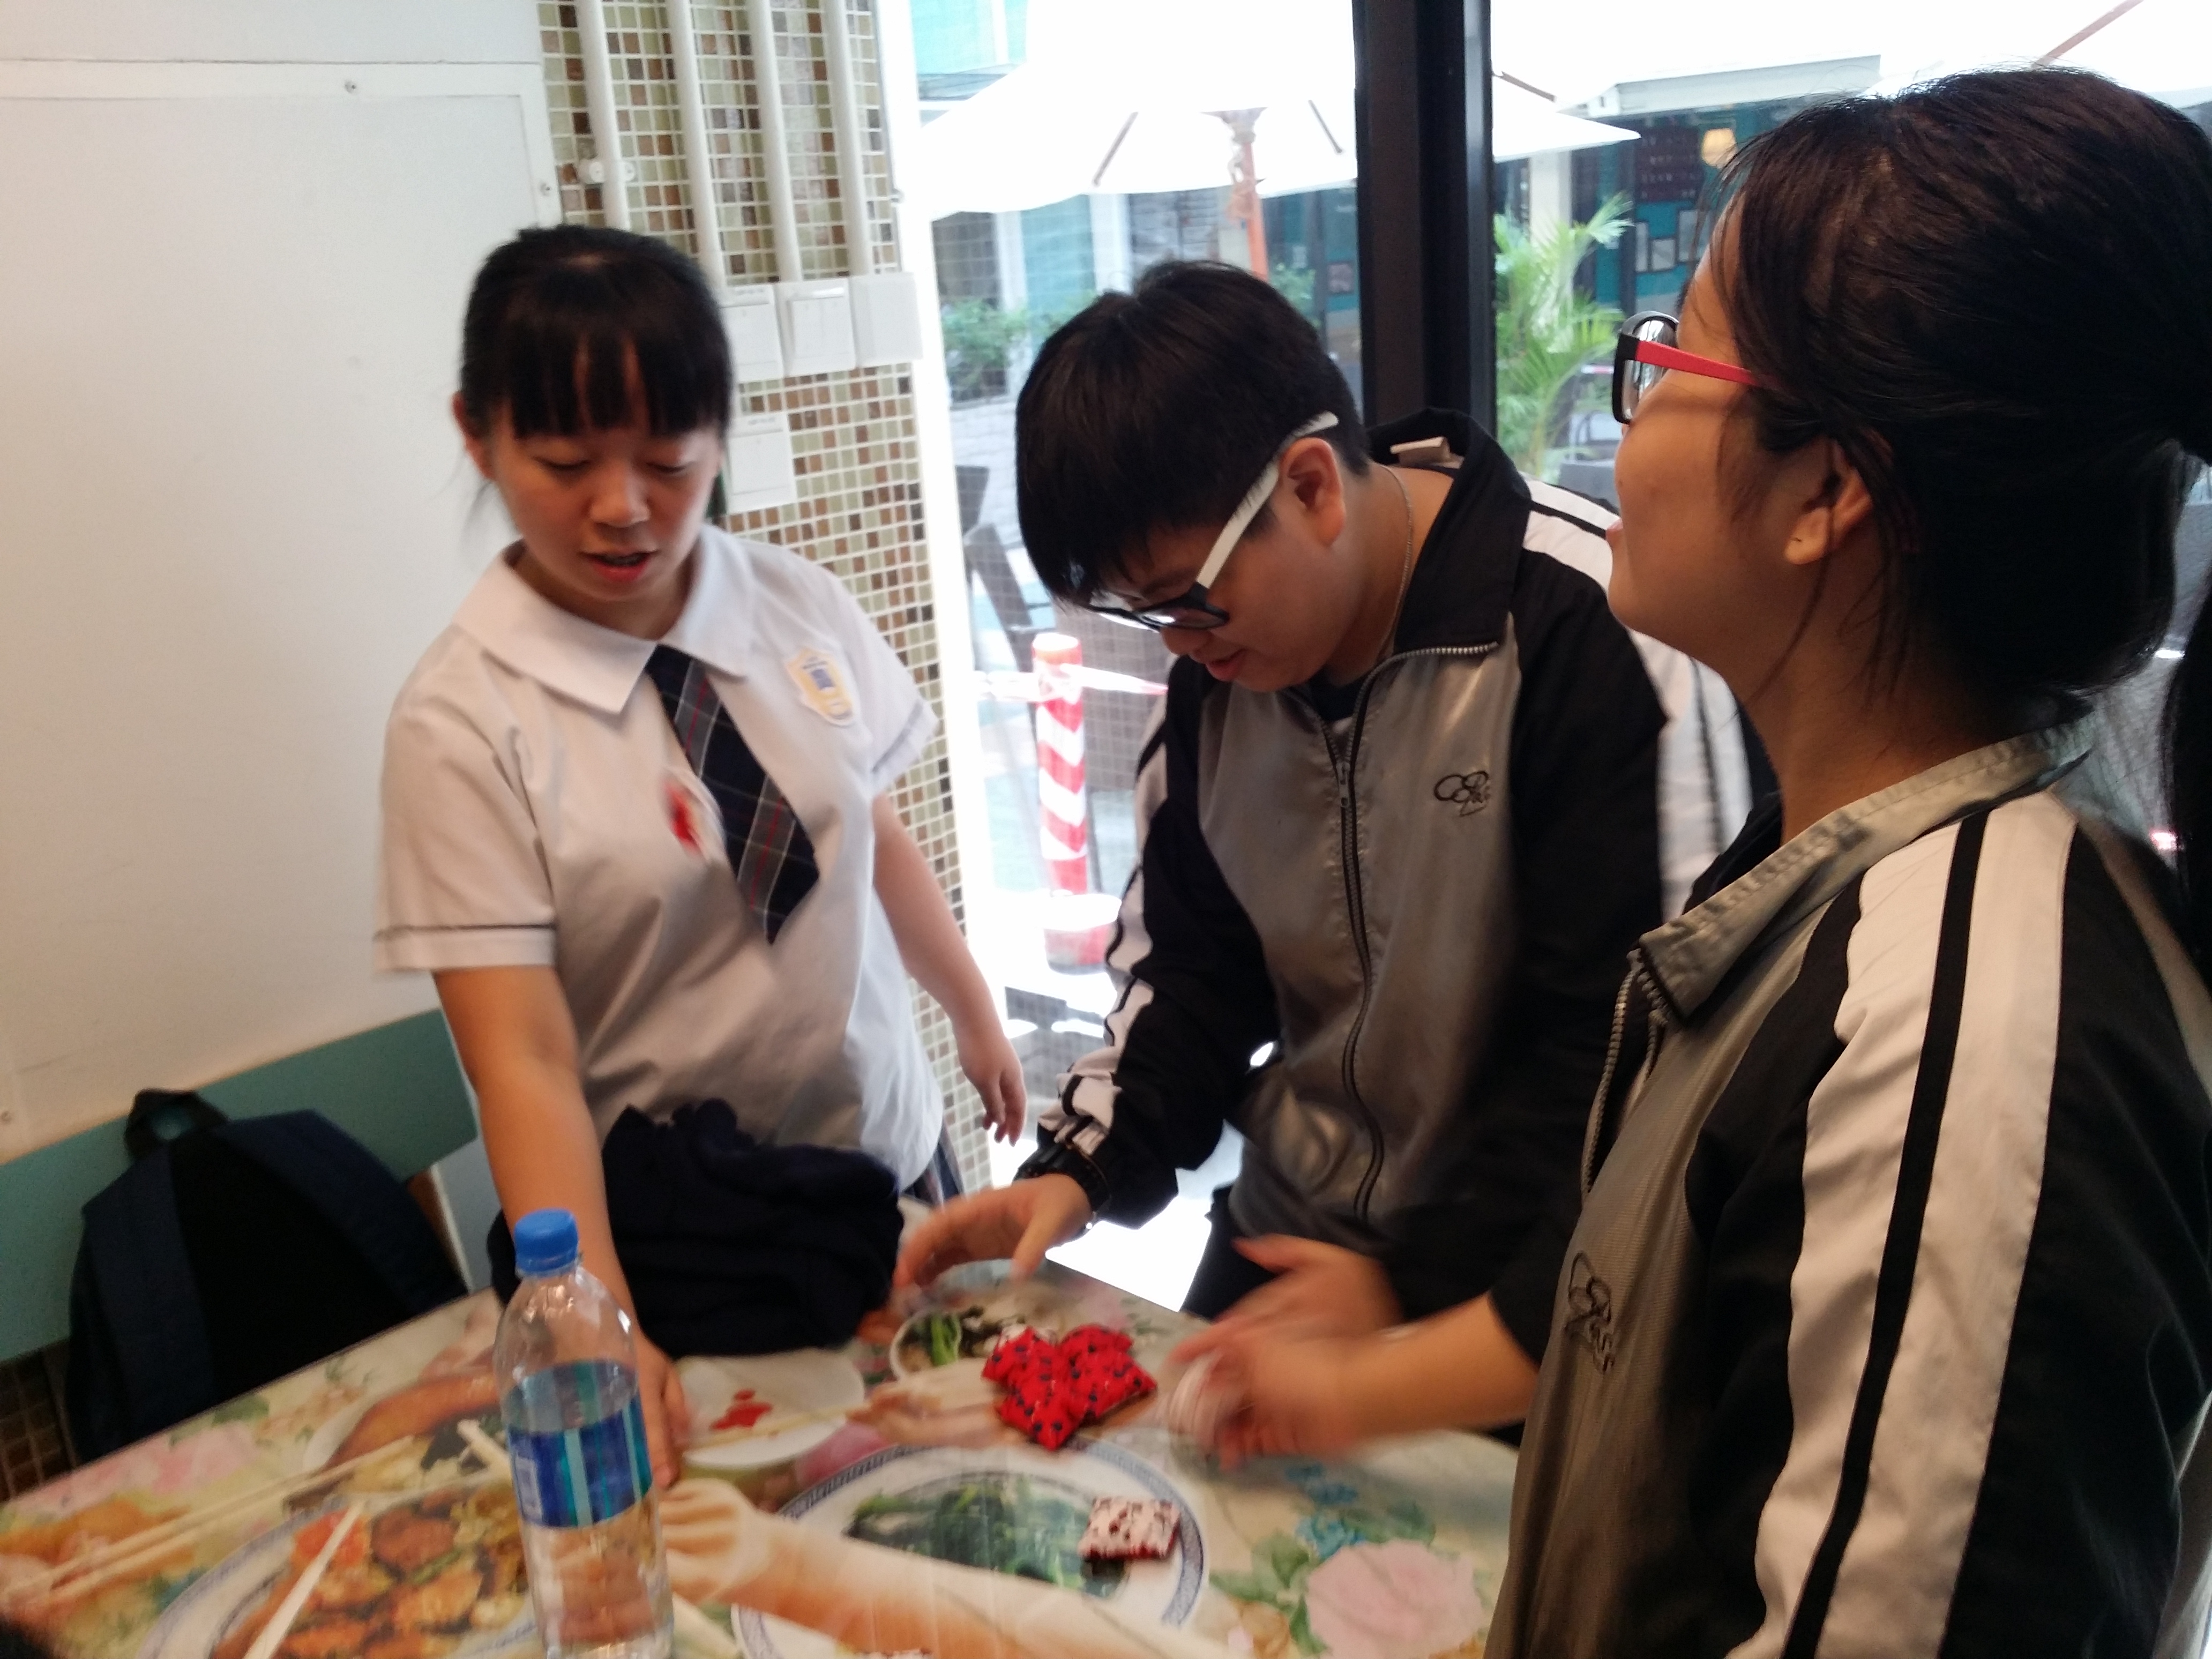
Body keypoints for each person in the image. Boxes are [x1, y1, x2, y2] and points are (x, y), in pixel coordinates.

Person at [1183, 68, 2212, 1657]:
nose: (1632, 410)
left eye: (1669, 358)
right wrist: (1365, 1375)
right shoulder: (1834, 867)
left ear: (1827, 493)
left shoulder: (1963, 1039)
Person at [898, 260, 1750, 1400]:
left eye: (1186, 599)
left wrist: (1403, 1290)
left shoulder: (1586, 629)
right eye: (1142, 614)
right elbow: (1192, 978)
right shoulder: (1218, 691)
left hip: (1533, 1277)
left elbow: (1637, 1061)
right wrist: (1080, 1169)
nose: (1179, 646)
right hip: (1296, 1239)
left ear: (1309, 488)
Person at [376, 226, 1023, 1483]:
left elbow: (871, 832)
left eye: (670, 460)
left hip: (886, 1168)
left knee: (951, 1493)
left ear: (720, 435)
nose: (624, 506)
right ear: (478, 435)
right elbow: (521, 1060)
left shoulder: (796, 603)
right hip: (685, 1244)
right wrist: (600, 1327)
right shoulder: (461, 723)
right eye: (567, 462)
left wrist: (972, 1009)